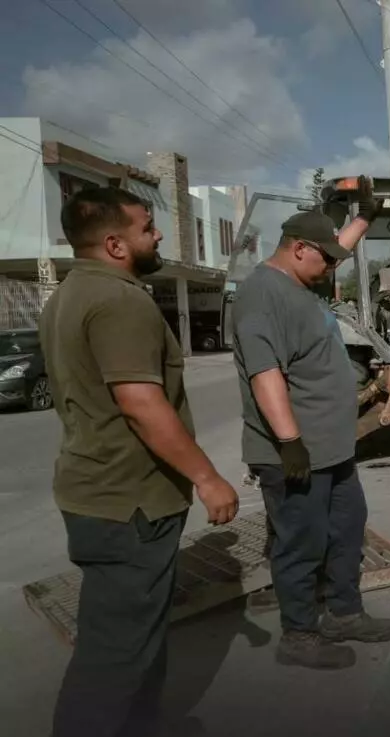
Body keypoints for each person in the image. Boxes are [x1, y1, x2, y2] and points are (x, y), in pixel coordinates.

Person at [38, 187, 240, 737]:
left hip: (101, 494)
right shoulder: (121, 301)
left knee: (138, 639)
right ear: (114, 242)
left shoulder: (68, 295)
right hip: (128, 504)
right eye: (148, 227)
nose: (157, 237)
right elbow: (142, 405)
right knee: (114, 657)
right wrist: (207, 477)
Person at [231, 189, 390, 671]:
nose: (332, 266)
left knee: (346, 531)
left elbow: (336, 246)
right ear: (298, 247)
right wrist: (289, 443)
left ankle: (344, 613)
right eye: (324, 258)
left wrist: (365, 216)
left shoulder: (301, 281)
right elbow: (266, 376)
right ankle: (299, 633)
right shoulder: (262, 294)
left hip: (333, 450)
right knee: (300, 543)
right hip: (297, 452)